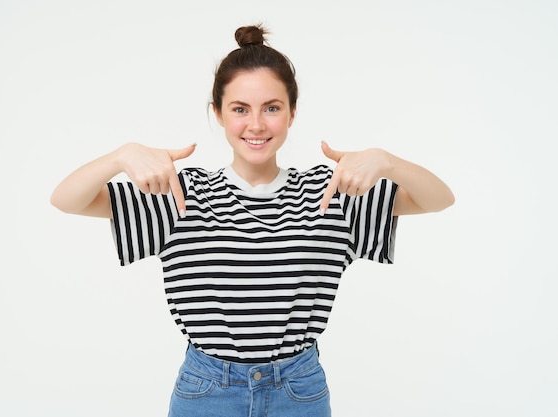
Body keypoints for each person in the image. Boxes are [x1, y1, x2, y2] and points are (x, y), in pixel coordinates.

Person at [50, 24, 454, 417]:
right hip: (207, 392)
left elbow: (438, 199)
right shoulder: (180, 195)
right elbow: (67, 199)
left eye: (272, 108)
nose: (256, 125)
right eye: (240, 109)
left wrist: (386, 160)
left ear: (292, 113)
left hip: (299, 392)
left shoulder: (330, 193)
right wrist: (121, 156)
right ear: (219, 114)